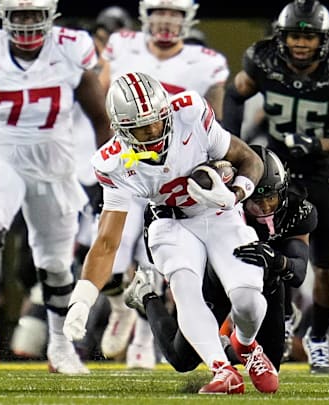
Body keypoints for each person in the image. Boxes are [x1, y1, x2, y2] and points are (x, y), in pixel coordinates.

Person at [64, 72, 278, 395]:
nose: (153, 131)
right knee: (185, 288)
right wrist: (83, 297)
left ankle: (245, 345)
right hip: (170, 222)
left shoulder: (190, 112)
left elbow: (248, 159)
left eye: (156, 121)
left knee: (248, 301)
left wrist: (235, 193)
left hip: (219, 213)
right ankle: (222, 371)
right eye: (141, 126)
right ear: (121, 130)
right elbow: (108, 241)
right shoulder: (115, 163)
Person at [0, 0, 111, 373]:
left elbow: (100, 118)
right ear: (5, 16)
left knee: (54, 263)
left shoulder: (71, 49)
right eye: (19, 15)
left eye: (35, 14)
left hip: (55, 164)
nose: (28, 23)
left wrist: (106, 174)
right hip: (0, 155)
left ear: (50, 15)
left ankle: (61, 346)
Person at [222, 0, 329, 374]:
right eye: (295, 36)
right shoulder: (264, 61)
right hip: (275, 177)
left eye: (309, 36)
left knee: (327, 263)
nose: (301, 44)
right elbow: (235, 91)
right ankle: (281, 320)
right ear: (281, 37)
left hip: (319, 176)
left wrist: (317, 144)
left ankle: (318, 337)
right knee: (265, 254)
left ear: (324, 40)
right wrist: (233, 145)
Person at [96, 0, 229, 368]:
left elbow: (213, 123)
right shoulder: (122, 45)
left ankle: (143, 330)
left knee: (156, 257)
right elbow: (100, 100)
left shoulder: (206, 62)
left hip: (176, 169)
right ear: (145, 17)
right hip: (129, 164)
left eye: (174, 14)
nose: (166, 22)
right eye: (159, 14)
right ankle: (118, 306)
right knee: (111, 247)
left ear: (187, 19)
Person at [123, 145, 315, 377]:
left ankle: (231, 346)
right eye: (256, 201)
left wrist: (278, 261)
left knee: (272, 362)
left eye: (271, 199)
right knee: (182, 359)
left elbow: (298, 273)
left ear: (283, 192)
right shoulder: (217, 206)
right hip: (216, 273)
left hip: (266, 280)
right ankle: (145, 295)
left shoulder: (298, 211)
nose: (264, 207)